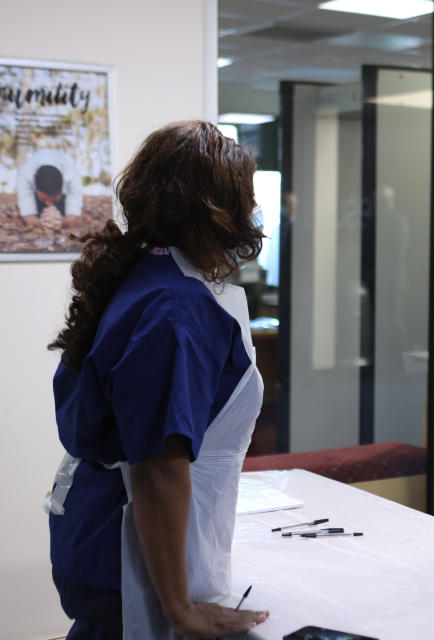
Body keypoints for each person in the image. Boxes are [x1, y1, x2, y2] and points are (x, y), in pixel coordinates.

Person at [45, 121, 270, 638]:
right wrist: (180, 609)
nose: (253, 210)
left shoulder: (147, 273)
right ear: (219, 208)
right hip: (130, 545)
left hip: (99, 519)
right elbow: (157, 468)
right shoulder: (176, 308)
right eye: (247, 196)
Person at [17, 148, 84, 228]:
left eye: (54, 200)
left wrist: (58, 222)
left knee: (62, 211)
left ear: (61, 191)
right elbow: (27, 214)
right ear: (37, 190)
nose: (49, 205)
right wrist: (44, 224)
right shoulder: (25, 174)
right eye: (43, 199)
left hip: (63, 196)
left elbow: (73, 215)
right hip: (34, 189)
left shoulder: (72, 176)